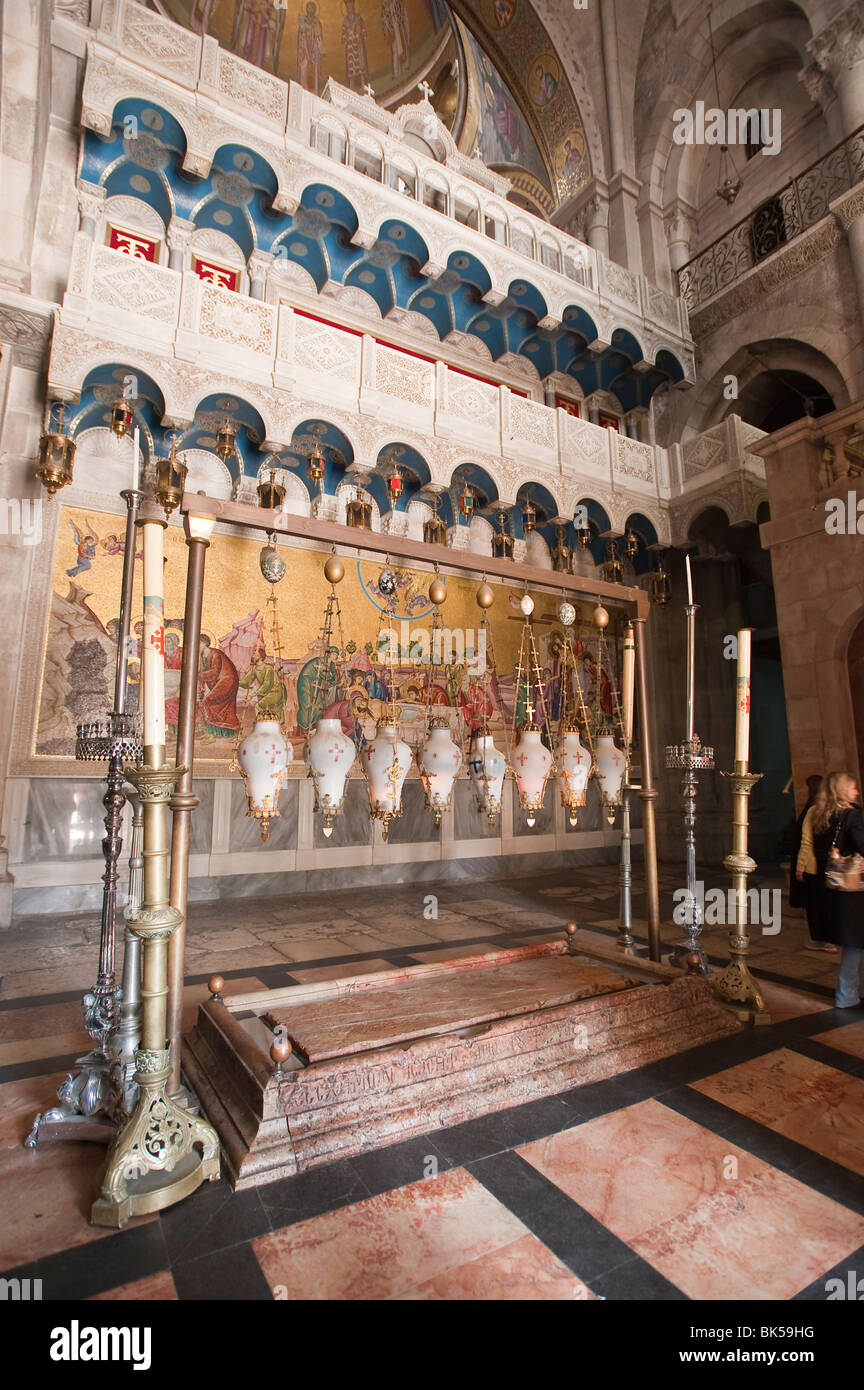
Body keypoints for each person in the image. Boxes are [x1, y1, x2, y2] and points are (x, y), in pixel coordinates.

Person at [811, 772, 864, 1006]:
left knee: (855, 940)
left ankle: (855, 990)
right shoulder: (851, 816)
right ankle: (847, 995)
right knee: (855, 941)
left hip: (834, 885)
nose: (857, 792)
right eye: (852, 788)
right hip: (853, 887)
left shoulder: (822, 815)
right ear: (843, 791)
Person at [795, 775, 837, 952]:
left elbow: (806, 841)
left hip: (813, 865)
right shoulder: (838, 810)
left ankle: (821, 939)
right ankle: (833, 937)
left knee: (815, 905)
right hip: (832, 865)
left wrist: (799, 867)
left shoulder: (814, 811)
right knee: (828, 903)